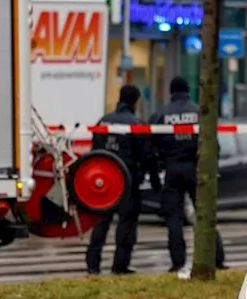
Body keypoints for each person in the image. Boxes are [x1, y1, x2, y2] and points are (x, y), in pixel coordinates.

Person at [151, 77, 226, 272]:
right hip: (196, 170)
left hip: (172, 170)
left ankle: (177, 262)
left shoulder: (161, 114)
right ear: (187, 90)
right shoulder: (199, 112)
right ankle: (216, 257)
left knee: (174, 218)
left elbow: (152, 144)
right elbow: (212, 143)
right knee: (205, 214)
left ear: (171, 91)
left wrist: (160, 164)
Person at [85, 85, 155, 275]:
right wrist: (153, 181)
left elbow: (94, 152)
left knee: (101, 223)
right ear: (135, 101)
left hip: (105, 182)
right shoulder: (137, 125)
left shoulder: (103, 121)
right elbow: (147, 157)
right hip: (129, 183)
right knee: (127, 225)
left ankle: (93, 265)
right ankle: (120, 265)